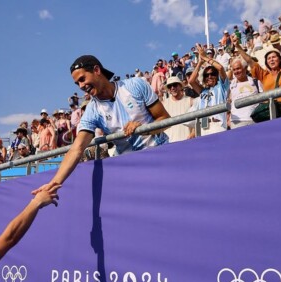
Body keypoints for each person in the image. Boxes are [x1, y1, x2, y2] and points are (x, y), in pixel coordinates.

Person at [33, 55, 169, 194]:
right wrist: (54, 183)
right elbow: (77, 149)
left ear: (96, 70)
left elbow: (164, 118)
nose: (81, 86)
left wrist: (143, 130)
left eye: (82, 79)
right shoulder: (92, 111)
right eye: (77, 83)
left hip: (160, 158)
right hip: (131, 171)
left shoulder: (135, 85)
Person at [232, 29, 281, 118]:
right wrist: (238, 47)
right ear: (266, 62)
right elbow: (249, 61)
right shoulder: (264, 75)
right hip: (271, 108)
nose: (271, 59)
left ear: (279, 59)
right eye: (269, 58)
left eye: (274, 57)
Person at [188, 43, 229, 136]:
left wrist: (205, 57)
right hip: (203, 127)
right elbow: (191, 81)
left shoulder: (222, 87)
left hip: (217, 125)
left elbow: (220, 68)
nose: (209, 77)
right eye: (206, 75)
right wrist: (200, 62)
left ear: (216, 76)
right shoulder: (203, 91)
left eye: (212, 74)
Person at [227, 57, 263, 129]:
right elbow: (228, 102)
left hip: (254, 120)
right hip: (236, 122)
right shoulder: (231, 85)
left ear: (245, 68)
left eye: (238, 68)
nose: (236, 71)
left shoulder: (256, 82)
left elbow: (263, 99)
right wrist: (228, 118)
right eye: (234, 69)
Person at [162, 76, 195, 142]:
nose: (172, 88)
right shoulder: (163, 104)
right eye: (169, 86)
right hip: (169, 144)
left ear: (180, 86)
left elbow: (197, 121)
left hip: (187, 142)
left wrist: (193, 133)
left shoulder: (190, 101)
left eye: (175, 85)